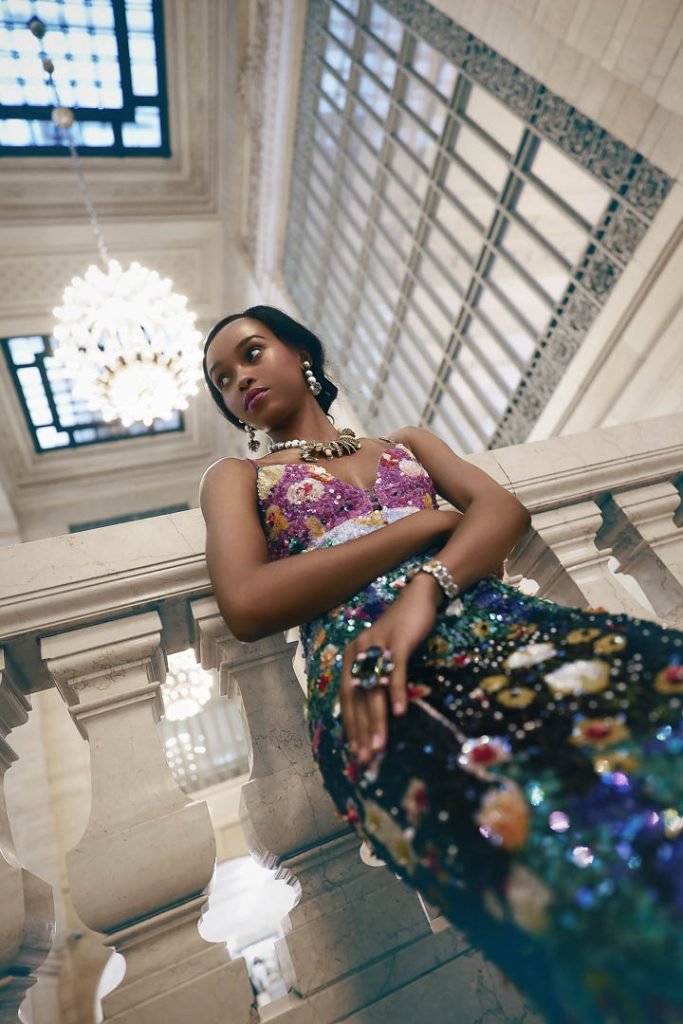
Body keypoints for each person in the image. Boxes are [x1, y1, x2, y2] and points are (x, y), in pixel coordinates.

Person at [200, 305, 683, 1024]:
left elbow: (498, 511)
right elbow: (246, 602)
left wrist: (428, 586)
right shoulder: (238, 476)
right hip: (372, 674)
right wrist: (424, 525)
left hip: (499, 623)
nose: (239, 378)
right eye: (223, 379)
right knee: (534, 855)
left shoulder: (408, 443)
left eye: (251, 353)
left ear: (300, 352)